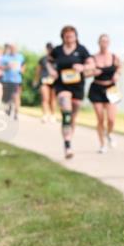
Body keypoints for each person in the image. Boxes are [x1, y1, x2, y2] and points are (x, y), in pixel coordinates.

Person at [50, 26, 95, 159]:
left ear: (76, 36)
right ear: (63, 37)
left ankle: (69, 139)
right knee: (67, 112)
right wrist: (51, 70)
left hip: (77, 86)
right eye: (67, 36)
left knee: (73, 117)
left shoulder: (81, 50)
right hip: (62, 85)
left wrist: (83, 67)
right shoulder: (57, 50)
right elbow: (47, 61)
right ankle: (67, 144)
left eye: (71, 36)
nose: (69, 38)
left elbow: (92, 64)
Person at [88, 34, 121, 153]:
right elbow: (86, 72)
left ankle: (110, 133)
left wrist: (117, 75)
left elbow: (119, 69)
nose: (104, 43)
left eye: (106, 41)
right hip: (97, 88)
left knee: (111, 119)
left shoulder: (114, 57)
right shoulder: (93, 58)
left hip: (111, 89)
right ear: (99, 43)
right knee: (100, 118)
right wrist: (93, 72)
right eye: (102, 41)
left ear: (109, 43)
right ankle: (102, 145)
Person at [0, 43, 25, 120]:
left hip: (17, 80)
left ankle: (16, 113)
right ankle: (9, 108)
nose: (14, 50)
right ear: (10, 49)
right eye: (12, 48)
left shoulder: (20, 57)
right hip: (7, 80)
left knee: (16, 96)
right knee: (7, 97)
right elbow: (0, 67)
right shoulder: (5, 57)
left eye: (15, 49)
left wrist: (22, 70)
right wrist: (7, 67)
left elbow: (23, 65)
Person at [35, 43, 57, 122]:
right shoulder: (43, 59)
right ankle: (45, 114)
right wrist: (36, 80)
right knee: (45, 98)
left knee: (53, 99)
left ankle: (53, 115)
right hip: (44, 81)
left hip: (54, 82)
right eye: (48, 49)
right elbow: (38, 70)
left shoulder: (57, 59)